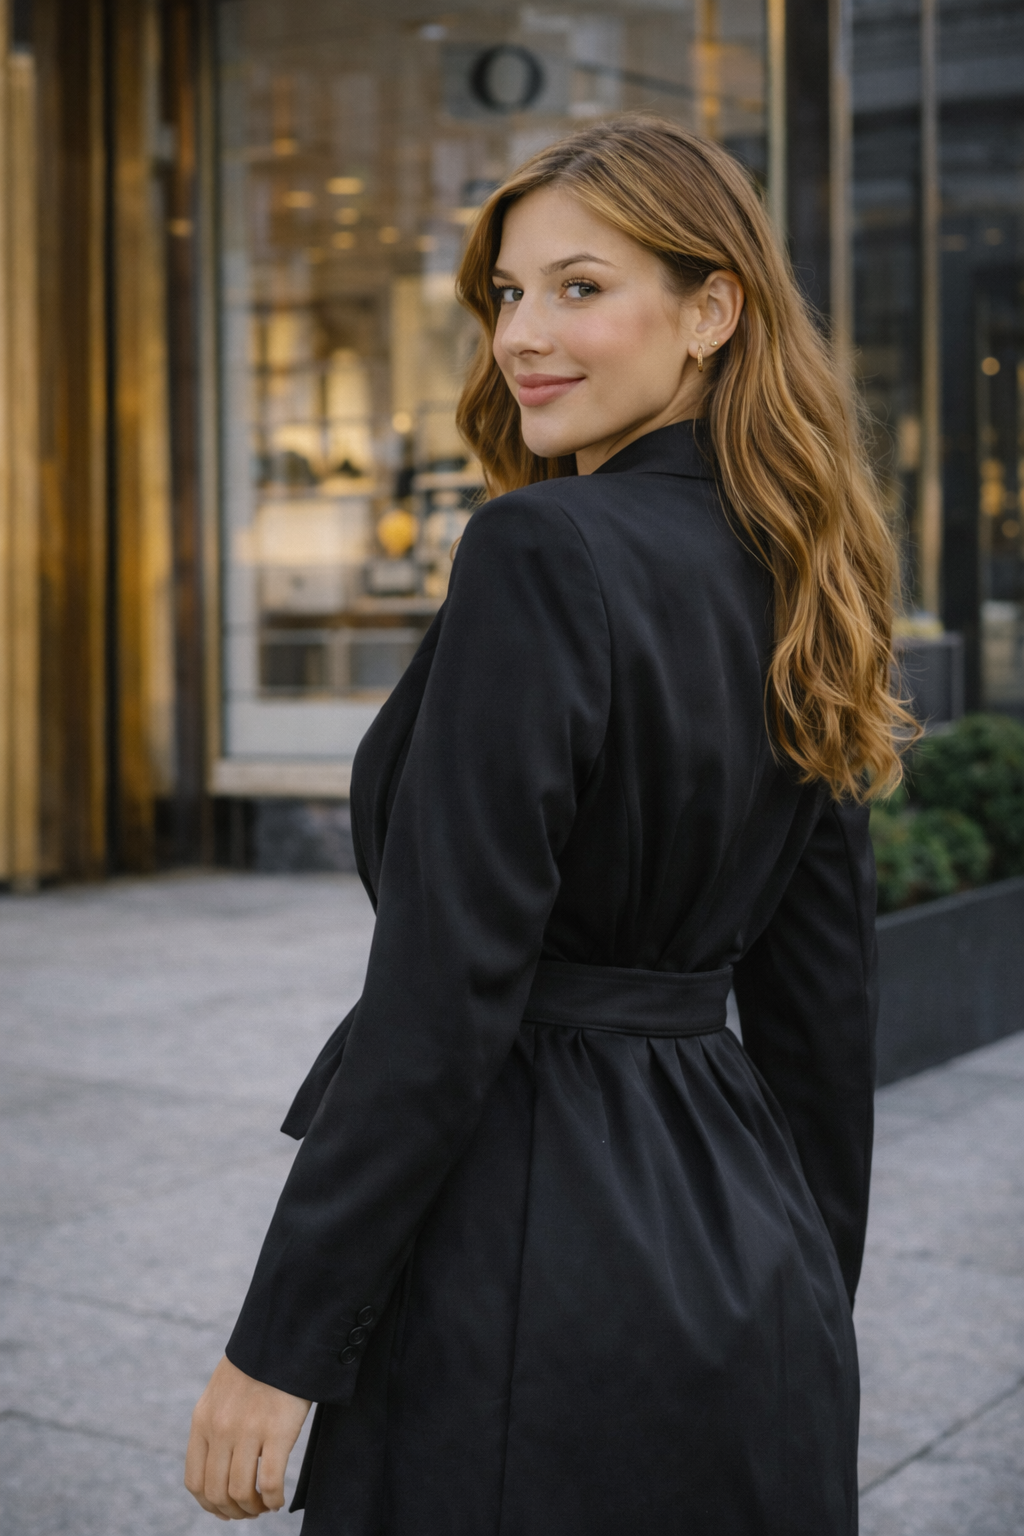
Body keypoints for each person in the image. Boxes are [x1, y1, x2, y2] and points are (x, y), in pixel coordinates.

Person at [185, 117, 913, 1534]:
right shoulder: (803, 573)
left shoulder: (537, 550)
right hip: (741, 1255)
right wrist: (810, 1292)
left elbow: (447, 988)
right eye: (509, 294)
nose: (524, 333)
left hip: (524, 1240)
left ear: (712, 310)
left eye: (582, 288)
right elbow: (827, 1004)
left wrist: (279, 1343)